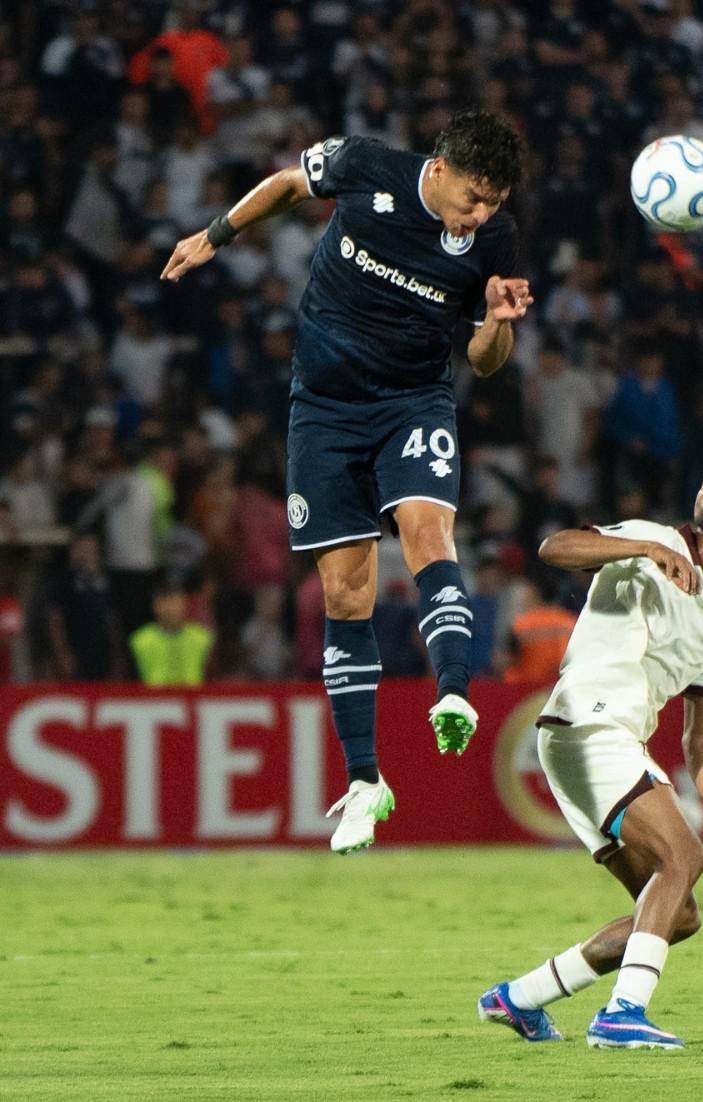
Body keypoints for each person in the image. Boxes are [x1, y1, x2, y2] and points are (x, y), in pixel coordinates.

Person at [161, 111, 531, 854]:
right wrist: (214, 236)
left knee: (427, 530)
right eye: (473, 196)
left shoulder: (493, 240)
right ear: (440, 166)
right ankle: (366, 779)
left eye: (494, 200)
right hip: (325, 409)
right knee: (344, 591)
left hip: (413, 400)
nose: (481, 213)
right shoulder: (367, 169)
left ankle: (454, 689)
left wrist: (494, 322)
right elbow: (288, 184)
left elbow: (486, 359)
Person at [479, 450, 703, 1050]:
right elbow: (554, 548)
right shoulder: (652, 538)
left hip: (595, 740)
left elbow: (699, 741)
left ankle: (520, 998)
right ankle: (622, 1012)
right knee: (683, 858)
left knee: (676, 912)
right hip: (590, 720)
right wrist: (641, 550)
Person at [129, 579, 214, 687]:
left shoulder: (202, 637)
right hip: (153, 701)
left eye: (175, 602)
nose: (170, 608)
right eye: (165, 602)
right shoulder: (140, 640)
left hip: (193, 699)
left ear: (184, 603)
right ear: (154, 605)